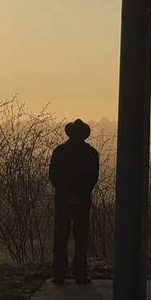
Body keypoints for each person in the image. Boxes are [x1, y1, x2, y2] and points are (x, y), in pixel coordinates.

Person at [49, 118, 99, 285]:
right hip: (82, 201)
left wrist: (67, 194)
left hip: (63, 201)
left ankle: (59, 274)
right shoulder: (91, 153)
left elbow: (54, 176)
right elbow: (92, 178)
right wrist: (79, 195)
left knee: (61, 238)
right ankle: (80, 274)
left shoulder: (59, 151)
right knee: (81, 239)